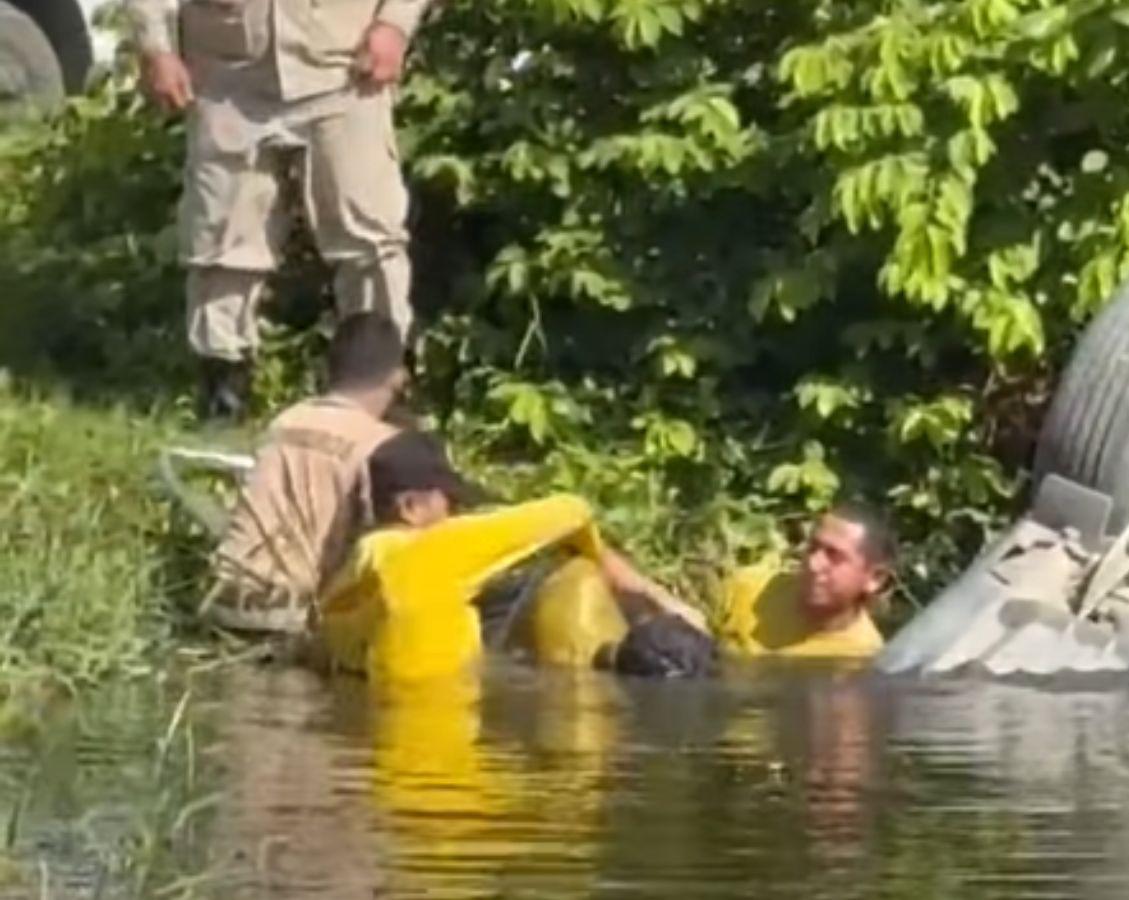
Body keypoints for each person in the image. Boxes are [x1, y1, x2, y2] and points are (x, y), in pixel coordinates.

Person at [126, 0, 432, 419]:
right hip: (228, 75)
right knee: (219, 244)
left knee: (370, 241)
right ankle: (223, 399)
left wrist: (395, 25)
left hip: (344, 68)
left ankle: (380, 392)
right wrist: (156, 48)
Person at [318, 430, 706, 683]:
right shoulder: (441, 550)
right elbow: (573, 511)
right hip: (447, 739)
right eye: (448, 502)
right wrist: (658, 596)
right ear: (410, 507)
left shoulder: (352, 576)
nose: (456, 515)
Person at [203, 313, 407, 634]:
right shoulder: (379, 443)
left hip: (226, 597)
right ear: (398, 378)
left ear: (329, 369)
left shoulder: (285, 420)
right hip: (289, 612)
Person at [716, 502, 895, 659]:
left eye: (834, 555)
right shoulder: (751, 587)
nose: (813, 564)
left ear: (875, 579)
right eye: (813, 547)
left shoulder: (861, 659)